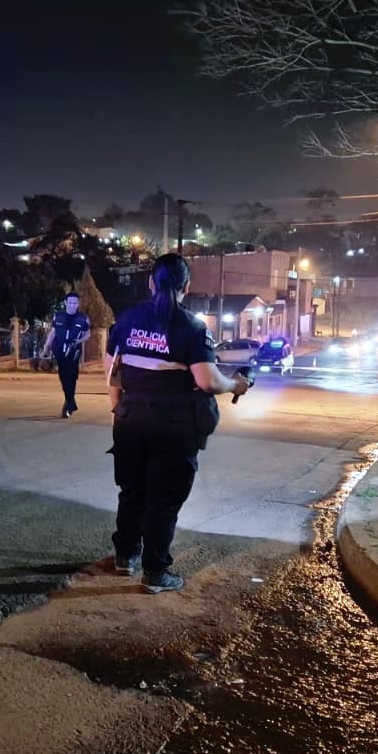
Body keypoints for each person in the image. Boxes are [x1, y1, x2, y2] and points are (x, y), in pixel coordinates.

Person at [104, 253, 252, 594]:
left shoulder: (126, 321)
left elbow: (112, 373)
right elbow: (207, 381)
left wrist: (120, 410)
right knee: (162, 501)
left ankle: (126, 556)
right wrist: (235, 385)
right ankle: (156, 573)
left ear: (150, 282)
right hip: (174, 427)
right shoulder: (191, 326)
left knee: (131, 491)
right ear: (187, 286)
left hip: (130, 419)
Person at [43, 293, 91, 417]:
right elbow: (52, 333)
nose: (72, 306)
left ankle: (68, 404)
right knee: (63, 376)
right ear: (65, 303)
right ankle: (70, 401)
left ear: (78, 304)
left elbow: (87, 334)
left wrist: (78, 341)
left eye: (75, 303)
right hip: (59, 349)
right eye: (70, 303)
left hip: (74, 350)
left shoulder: (83, 318)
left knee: (72, 377)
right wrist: (46, 348)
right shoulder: (58, 317)